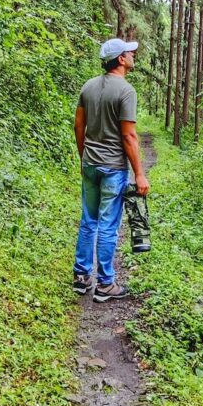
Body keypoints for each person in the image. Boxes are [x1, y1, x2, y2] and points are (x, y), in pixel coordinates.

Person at [72, 38, 150, 302]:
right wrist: (139, 173)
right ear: (120, 59)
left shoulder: (88, 86)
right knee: (107, 226)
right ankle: (106, 284)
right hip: (113, 168)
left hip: (90, 165)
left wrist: (85, 157)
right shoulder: (126, 91)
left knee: (88, 220)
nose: (133, 56)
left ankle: (81, 277)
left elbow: (78, 126)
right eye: (130, 53)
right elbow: (129, 136)